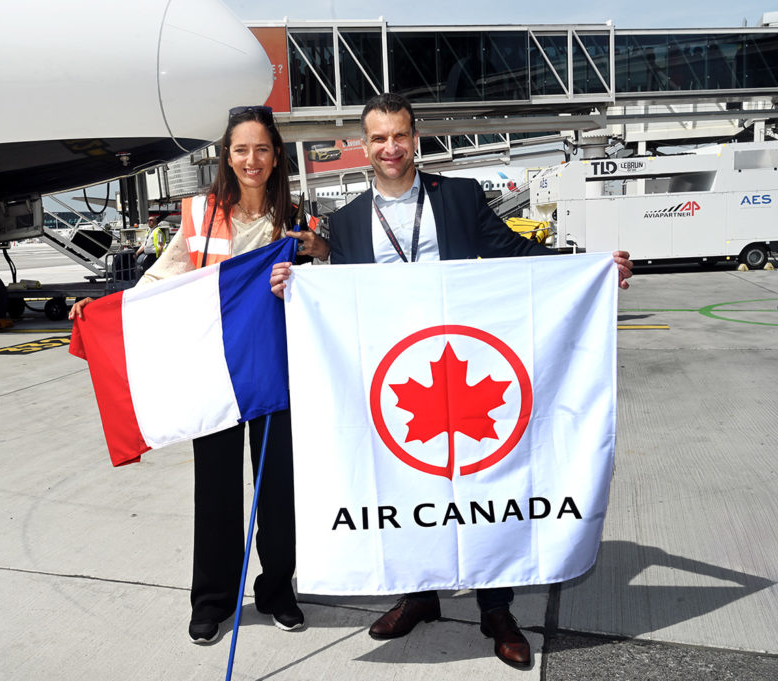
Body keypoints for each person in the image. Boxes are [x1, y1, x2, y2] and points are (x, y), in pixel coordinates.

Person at [270, 92, 632, 668]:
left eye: (401, 135)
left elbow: (514, 253)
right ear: (364, 145)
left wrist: (589, 267)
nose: (391, 148)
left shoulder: (459, 197)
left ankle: (496, 608)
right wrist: (299, 283)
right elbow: (344, 299)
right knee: (407, 484)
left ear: (417, 138)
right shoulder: (347, 220)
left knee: (484, 481)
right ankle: (420, 595)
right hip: (398, 376)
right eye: (379, 138)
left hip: (463, 360)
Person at [70, 105, 327, 645]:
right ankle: (213, 598)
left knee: (277, 490)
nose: (251, 160)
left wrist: (312, 260)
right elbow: (159, 283)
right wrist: (103, 309)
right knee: (215, 489)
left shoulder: (296, 220)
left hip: (277, 372)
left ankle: (278, 588)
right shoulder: (199, 216)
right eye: (241, 150)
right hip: (215, 373)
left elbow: (323, 290)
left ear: (276, 156)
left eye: (261, 149)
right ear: (226, 157)